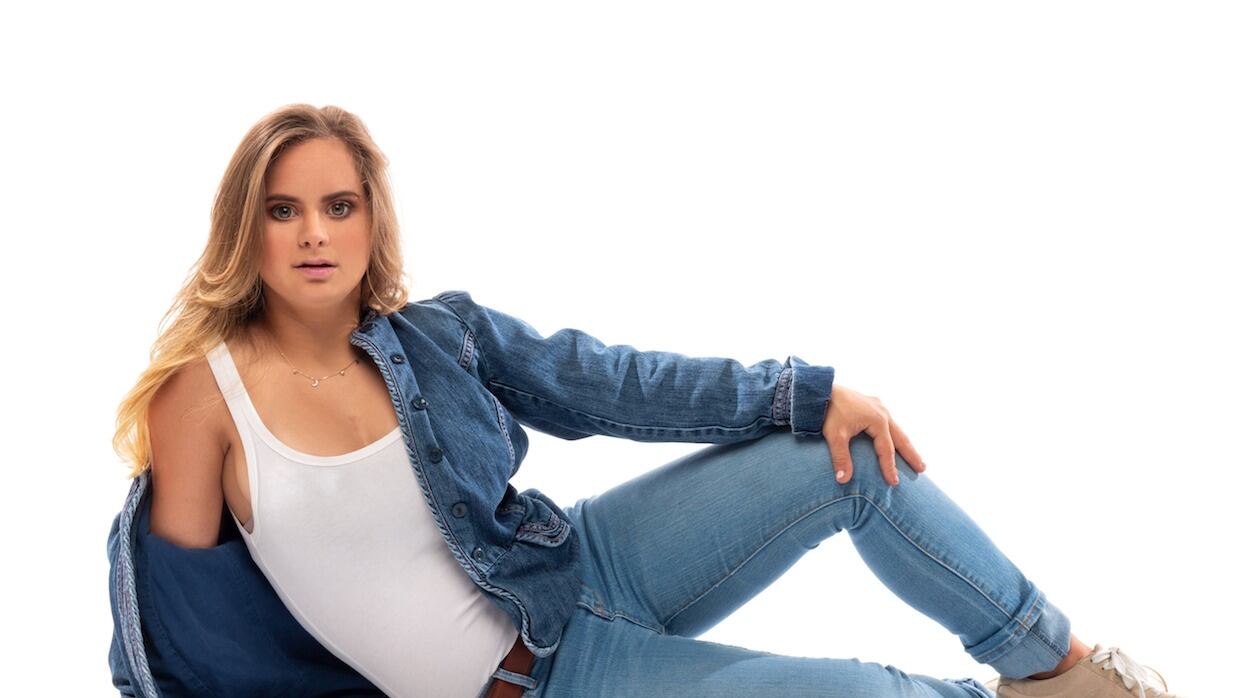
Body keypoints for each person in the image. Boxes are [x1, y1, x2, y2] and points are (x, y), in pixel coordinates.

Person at [105, 103, 1182, 698]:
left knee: (839, 452)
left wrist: (802, 393)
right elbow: (186, 635)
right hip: (550, 683)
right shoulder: (202, 400)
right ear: (246, 226)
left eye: (338, 206)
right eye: (283, 209)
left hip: (583, 564)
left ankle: (1065, 673)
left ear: (370, 220)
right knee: (860, 695)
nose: (313, 234)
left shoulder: (435, 334)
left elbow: (611, 382)